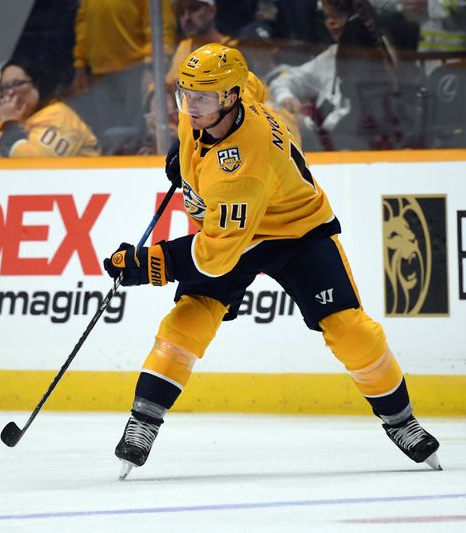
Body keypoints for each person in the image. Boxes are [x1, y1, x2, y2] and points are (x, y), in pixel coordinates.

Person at [102, 43, 441, 480]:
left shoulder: (241, 168)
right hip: (234, 226)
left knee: (350, 330)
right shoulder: (230, 96)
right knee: (188, 321)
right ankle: (144, 421)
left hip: (295, 231)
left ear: (229, 99)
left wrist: (149, 265)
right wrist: (185, 155)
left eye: (201, 98)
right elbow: (252, 85)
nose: (189, 107)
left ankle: (401, 420)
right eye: (184, 95)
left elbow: (214, 256)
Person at [268, 0, 398, 150]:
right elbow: (286, 80)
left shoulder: (373, 60)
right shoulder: (330, 57)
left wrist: (307, 123)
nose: (331, 23)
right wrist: (285, 96)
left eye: (337, 16)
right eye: (327, 17)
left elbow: (348, 119)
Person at [71, 0, 177, 139]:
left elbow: (159, 23)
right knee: (107, 137)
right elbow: (83, 23)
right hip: (99, 75)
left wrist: (151, 68)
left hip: (137, 73)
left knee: (139, 135)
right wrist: (80, 66)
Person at [0, 58, 100, 158]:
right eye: (5, 87)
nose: (10, 92)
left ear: (36, 84)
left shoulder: (59, 115)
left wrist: (9, 125)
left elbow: (36, 168)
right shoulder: (6, 122)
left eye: (17, 84)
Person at [166, 0, 231, 86]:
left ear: (212, 11)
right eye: (181, 12)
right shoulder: (184, 46)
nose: (187, 18)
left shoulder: (231, 47)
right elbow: (170, 85)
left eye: (194, 8)